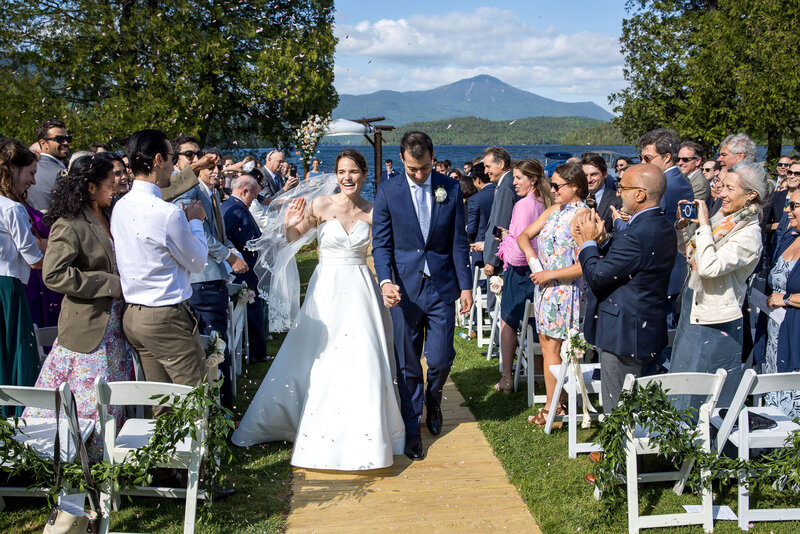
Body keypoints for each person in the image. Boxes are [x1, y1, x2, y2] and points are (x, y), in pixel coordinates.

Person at [232, 149, 405, 470]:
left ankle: (366, 435)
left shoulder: (373, 210)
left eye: (353, 171)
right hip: (326, 289)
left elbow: (386, 250)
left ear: (364, 175)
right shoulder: (321, 205)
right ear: (336, 175)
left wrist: (388, 283)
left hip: (360, 290)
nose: (347, 177)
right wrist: (289, 224)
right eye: (342, 171)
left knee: (363, 355)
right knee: (320, 357)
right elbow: (292, 237)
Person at [23, 154, 132, 460]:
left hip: (115, 328)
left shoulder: (110, 215)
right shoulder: (69, 224)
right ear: (90, 186)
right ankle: (79, 465)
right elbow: (54, 274)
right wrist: (110, 284)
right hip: (88, 330)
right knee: (88, 404)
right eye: (110, 181)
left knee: (110, 399)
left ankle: (106, 461)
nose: (117, 185)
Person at [373, 131, 472, 461]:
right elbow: (382, 244)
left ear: (433, 157)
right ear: (402, 159)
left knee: (442, 357)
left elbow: (459, 241)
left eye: (425, 167)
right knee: (408, 361)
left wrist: (467, 285)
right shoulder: (388, 190)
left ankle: (434, 396)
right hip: (404, 289)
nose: (419, 174)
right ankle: (412, 426)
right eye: (413, 169)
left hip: (442, 285)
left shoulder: (452, 188)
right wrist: (386, 281)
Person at [111, 130, 208, 413]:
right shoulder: (166, 213)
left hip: (133, 314)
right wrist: (195, 222)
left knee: (160, 398)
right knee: (193, 393)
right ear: (157, 160)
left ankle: (166, 455)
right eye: (172, 158)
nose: (174, 165)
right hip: (166, 315)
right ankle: (202, 454)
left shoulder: (120, 206)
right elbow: (198, 261)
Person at [573, 163, 676, 414]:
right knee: (639, 401)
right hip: (646, 324)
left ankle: (618, 452)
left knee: (617, 404)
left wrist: (586, 244)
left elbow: (598, 276)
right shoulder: (662, 225)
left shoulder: (635, 233)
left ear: (640, 194)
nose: (618, 193)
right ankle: (638, 450)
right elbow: (630, 262)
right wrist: (605, 241)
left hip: (624, 332)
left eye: (623, 188)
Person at [670, 161, 767, 408]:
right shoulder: (724, 220)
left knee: (704, 390)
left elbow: (709, 267)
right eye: (721, 186)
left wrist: (703, 225)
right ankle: (674, 437)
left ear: (751, 195)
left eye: (729, 189)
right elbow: (692, 256)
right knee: (682, 380)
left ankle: (705, 442)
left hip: (716, 319)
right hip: (695, 306)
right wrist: (685, 228)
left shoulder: (749, 234)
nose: (721, 193)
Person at [172, 157, 249, 409]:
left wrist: (232, 251)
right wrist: (227, 256)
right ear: (196, 171)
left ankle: (223, 404)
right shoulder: (190, 193)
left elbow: (218, 234)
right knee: (214, 345)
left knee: (220, 343)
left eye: (217, 168)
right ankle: (219, 409)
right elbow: (198, 234)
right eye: (210, 168)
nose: (216, 172)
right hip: (201, 280)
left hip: (216, 278)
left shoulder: (213, 194)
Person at [516, 162, 587, 422]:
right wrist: (533, 258)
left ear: (575, 187)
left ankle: (555, 406)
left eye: (557, 185)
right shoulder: (555, 210)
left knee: (554, 348)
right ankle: (555, 402)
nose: (552, 189)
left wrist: (550, 274)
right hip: (546, 288)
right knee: (547, 344)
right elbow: (524, 236)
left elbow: (586, 264)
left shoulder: (583, 215)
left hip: (566, 290)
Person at [490, 159, 553, 395]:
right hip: (542, 270)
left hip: (521, 272)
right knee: (537, 323)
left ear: (533, 179)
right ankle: (539, 376)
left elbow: (517, 253)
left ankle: (507, 377)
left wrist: (506, 237)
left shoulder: (524, 205)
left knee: (508, 320)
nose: (514, 183)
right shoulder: (547, 202)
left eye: (518, 178)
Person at [0, 138, 44, 399]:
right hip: (7, 289)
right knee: (15, 355)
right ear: (13, 170)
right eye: (31, 173)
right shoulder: (12, 209)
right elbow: (34, 258)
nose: (33, 182)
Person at [221, 175, 268, 363]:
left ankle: (246, 350)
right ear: (245, 191)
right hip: (244, 267)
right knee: (252, 307)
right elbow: (249, 243)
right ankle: (257, 352)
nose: (254, 200)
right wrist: (267, 241)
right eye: (254, 195)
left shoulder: (226, 206)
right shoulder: (239, 210)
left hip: (232, 269)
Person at [764, 188, 800, 418]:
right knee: (774, 385)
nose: (787, 210)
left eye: (793, 205)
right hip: (775, 330)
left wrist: (786, 300)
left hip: (795, 332)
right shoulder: (790, 238)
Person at [482, 146, 519, 277]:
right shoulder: (507, 184)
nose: (485, 171)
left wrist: (491, 260)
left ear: (501, 164)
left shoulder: (505, 188)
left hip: (499, 260)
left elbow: (500, 223)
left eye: (488, 167)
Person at [27, 118, 70, 211]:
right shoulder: (61, 174)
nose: (66, 143)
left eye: (67, 139)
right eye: (59, 139)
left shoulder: (27, 170)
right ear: (43, 143)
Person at [466, 163, 494, 277]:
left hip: (480, 246)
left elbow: (471, 228)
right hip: (499, 245)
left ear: (477, 180)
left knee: (480, 284)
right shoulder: (500, 192)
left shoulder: (475, 199)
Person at [582, 153, 621, 233]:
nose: (589, 180)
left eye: (593, 175)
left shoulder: (617, 200)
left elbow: (619, 233)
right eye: (585, 175)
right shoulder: (577, 198)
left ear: (605, 174)